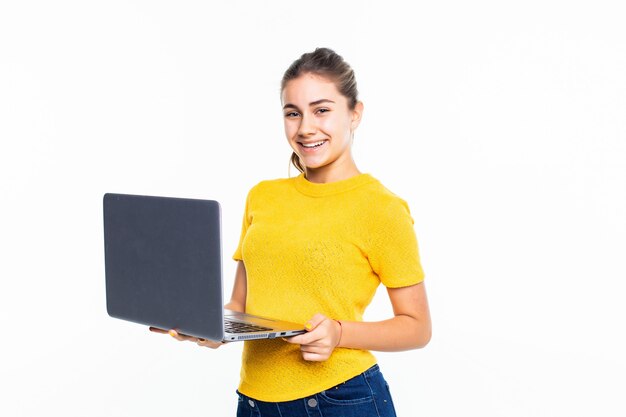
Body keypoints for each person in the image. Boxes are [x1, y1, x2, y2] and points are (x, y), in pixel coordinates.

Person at [152, 47, 431, 417]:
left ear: (355, 113)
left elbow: (417, 327)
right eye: (292, 113)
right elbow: (240, 307)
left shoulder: (380, 207)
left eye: (322, 110)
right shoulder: (262, 197)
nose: (305, 128)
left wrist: (338, 333)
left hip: (339, 399)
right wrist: (207, 327)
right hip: (254, 401)